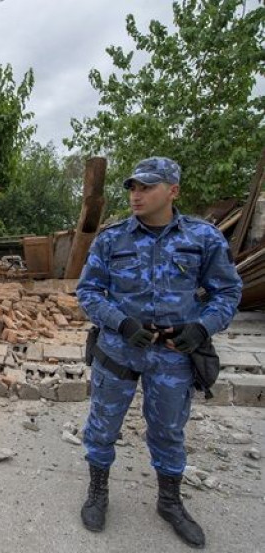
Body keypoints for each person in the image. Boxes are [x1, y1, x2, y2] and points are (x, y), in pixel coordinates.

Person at [76, 157, 242, 549]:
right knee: (103, 425)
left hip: (173, 355)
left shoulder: (203, 238)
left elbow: (227, 291)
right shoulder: (112, 239)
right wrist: (121, 323)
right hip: (118, 351)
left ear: (173, 191)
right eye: (133, 187)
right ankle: (98, 493)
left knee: (168, 430)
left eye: (147, 187)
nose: (136, 195)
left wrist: (200, 327)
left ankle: (169, 502)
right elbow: (88, 291)